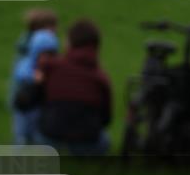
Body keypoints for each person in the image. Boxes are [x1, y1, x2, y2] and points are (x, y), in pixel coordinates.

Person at [33, 18, 112, 155]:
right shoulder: (101, 78)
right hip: (87, 142)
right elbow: (106, 118)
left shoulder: (51, 67)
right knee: (105, 140)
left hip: (50, 137)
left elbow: (36, 99)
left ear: (70, 43)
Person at [8, 9, 59, 145]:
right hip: (23, 100)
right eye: (52, 28)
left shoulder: (31, 46)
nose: (55, 31)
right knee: (22, 135)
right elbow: (22, 74)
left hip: (31, 100)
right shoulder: (30, 50)